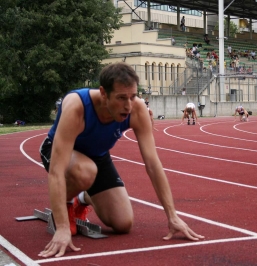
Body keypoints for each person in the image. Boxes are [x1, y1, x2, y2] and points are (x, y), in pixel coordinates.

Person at [38, 62, 203, 258]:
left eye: (133, 96)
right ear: (103, 93)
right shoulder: (77, 107)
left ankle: (83, 198)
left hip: (97, 157)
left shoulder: (137, 109)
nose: (128, 105)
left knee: (123, 223)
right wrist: (63, 227)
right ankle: (66, 205)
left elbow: (152, 164)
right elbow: (57, 170)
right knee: (85, 172)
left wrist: (172, 216)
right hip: (60, 153)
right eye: (121, 98)